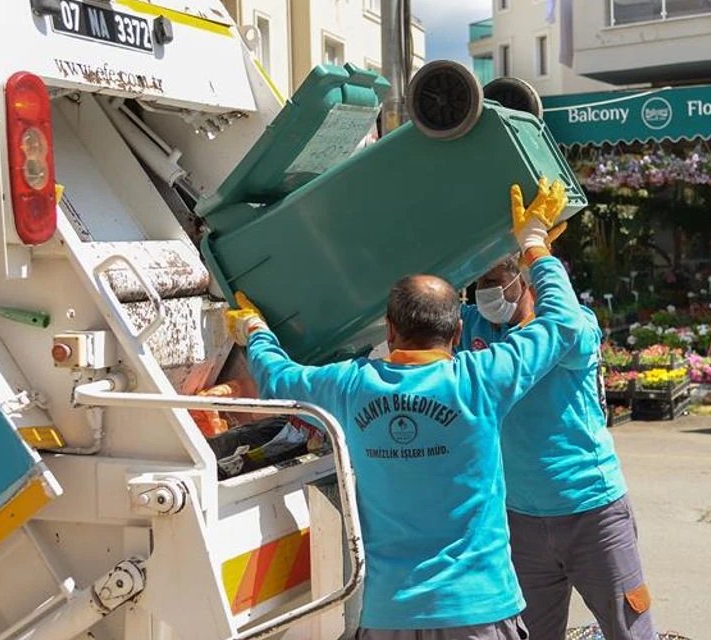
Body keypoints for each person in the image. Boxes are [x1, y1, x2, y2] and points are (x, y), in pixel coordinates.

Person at [226, 178, 581, 638]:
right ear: (456, 334)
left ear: (390, 332)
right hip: (477, 608)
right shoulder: (481, 379)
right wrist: (534, 244)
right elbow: (565, 321)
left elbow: (278, 377)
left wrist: (255, 329)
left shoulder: (350, 385)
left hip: (390, 612)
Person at [457, 254, 654, 639]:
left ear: (525, 281)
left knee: (628, 630)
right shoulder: (473, 328)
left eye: (494, 280)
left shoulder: (572, 323)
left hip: (592, 512)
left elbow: (568, 331)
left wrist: (539, 252)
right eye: (478, 284)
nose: (486, 293)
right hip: (520, 518)